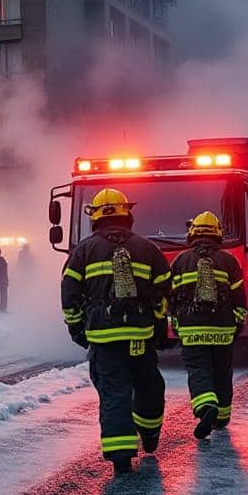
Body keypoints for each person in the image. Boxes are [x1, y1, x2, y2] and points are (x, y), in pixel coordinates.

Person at [60, 188, 171, 475]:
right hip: (140, 335)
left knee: (114, 393)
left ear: (95, 216)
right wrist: (159, 327)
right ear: (127, 214)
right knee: (149, 386)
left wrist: (77, 329)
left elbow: (69, 293)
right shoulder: (148, 249)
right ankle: (149, 435)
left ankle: (121, 457)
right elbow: (164, 292)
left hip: (103, 337)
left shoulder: (83, 251)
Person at [168, 211, 247, 439]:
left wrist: (175, 322)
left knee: (199, 369)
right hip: (223, 328)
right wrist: (237, 323)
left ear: (192, 234)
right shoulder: (229, 261)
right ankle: (221, 417)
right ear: (217, 234)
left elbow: (171, 296)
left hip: (192, 329)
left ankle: (206, 407)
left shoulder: (181, 261)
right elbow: (239, 298)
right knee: (222, 371)